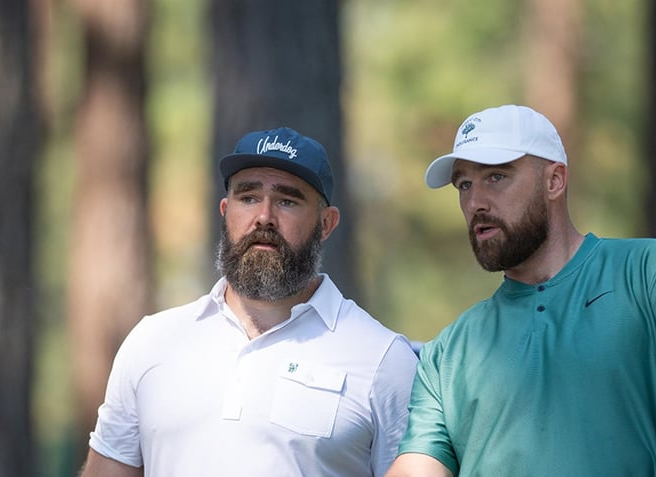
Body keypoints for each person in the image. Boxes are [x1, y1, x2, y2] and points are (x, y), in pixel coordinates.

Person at [385, 105, 656, 477]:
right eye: (464, 184)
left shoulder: (655, 273)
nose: (475, 202)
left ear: (554, 181)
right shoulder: (447, 353)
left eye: (496, 177)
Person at [81, 127, 418, 476]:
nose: (264, 217)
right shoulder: (152, 342)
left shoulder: (383, 359)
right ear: (225, 210)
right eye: (248, 197)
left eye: (288, 201)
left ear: (326, 223)